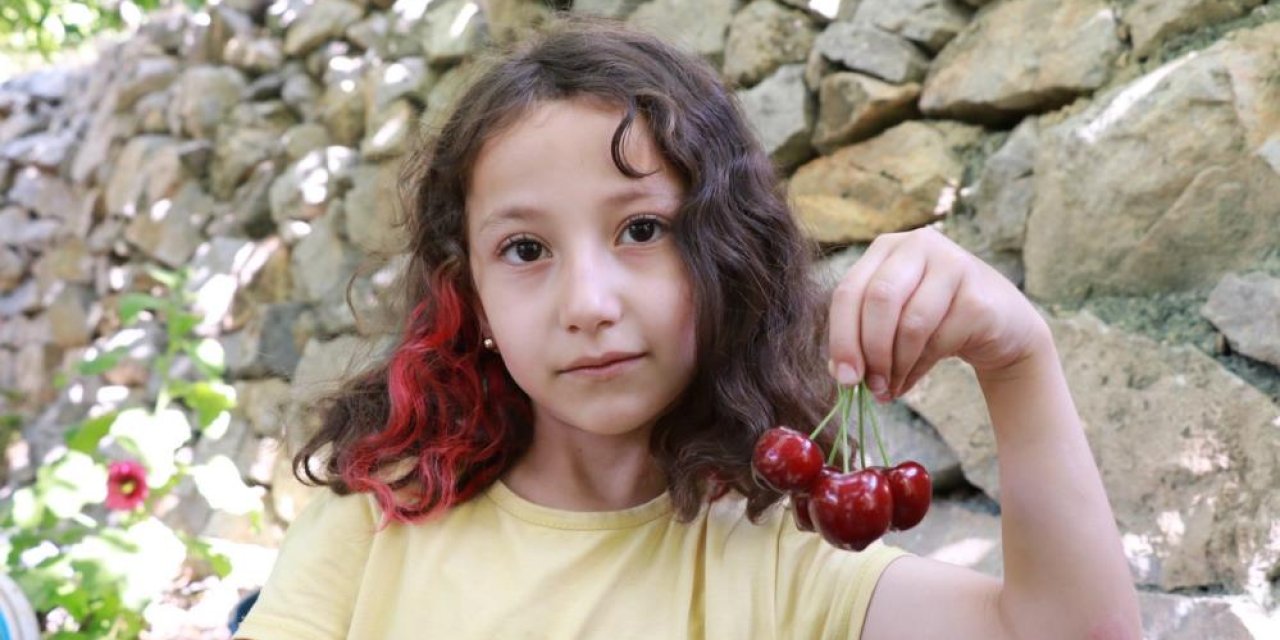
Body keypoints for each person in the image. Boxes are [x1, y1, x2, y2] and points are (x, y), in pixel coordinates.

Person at [234, 15, 1140, 640]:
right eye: (523, 248)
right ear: (467, 291)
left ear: (726, 255)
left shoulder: (780, 566)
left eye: (642, 230)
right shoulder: (380, 518)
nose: (587, 301)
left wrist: (1018, 363)